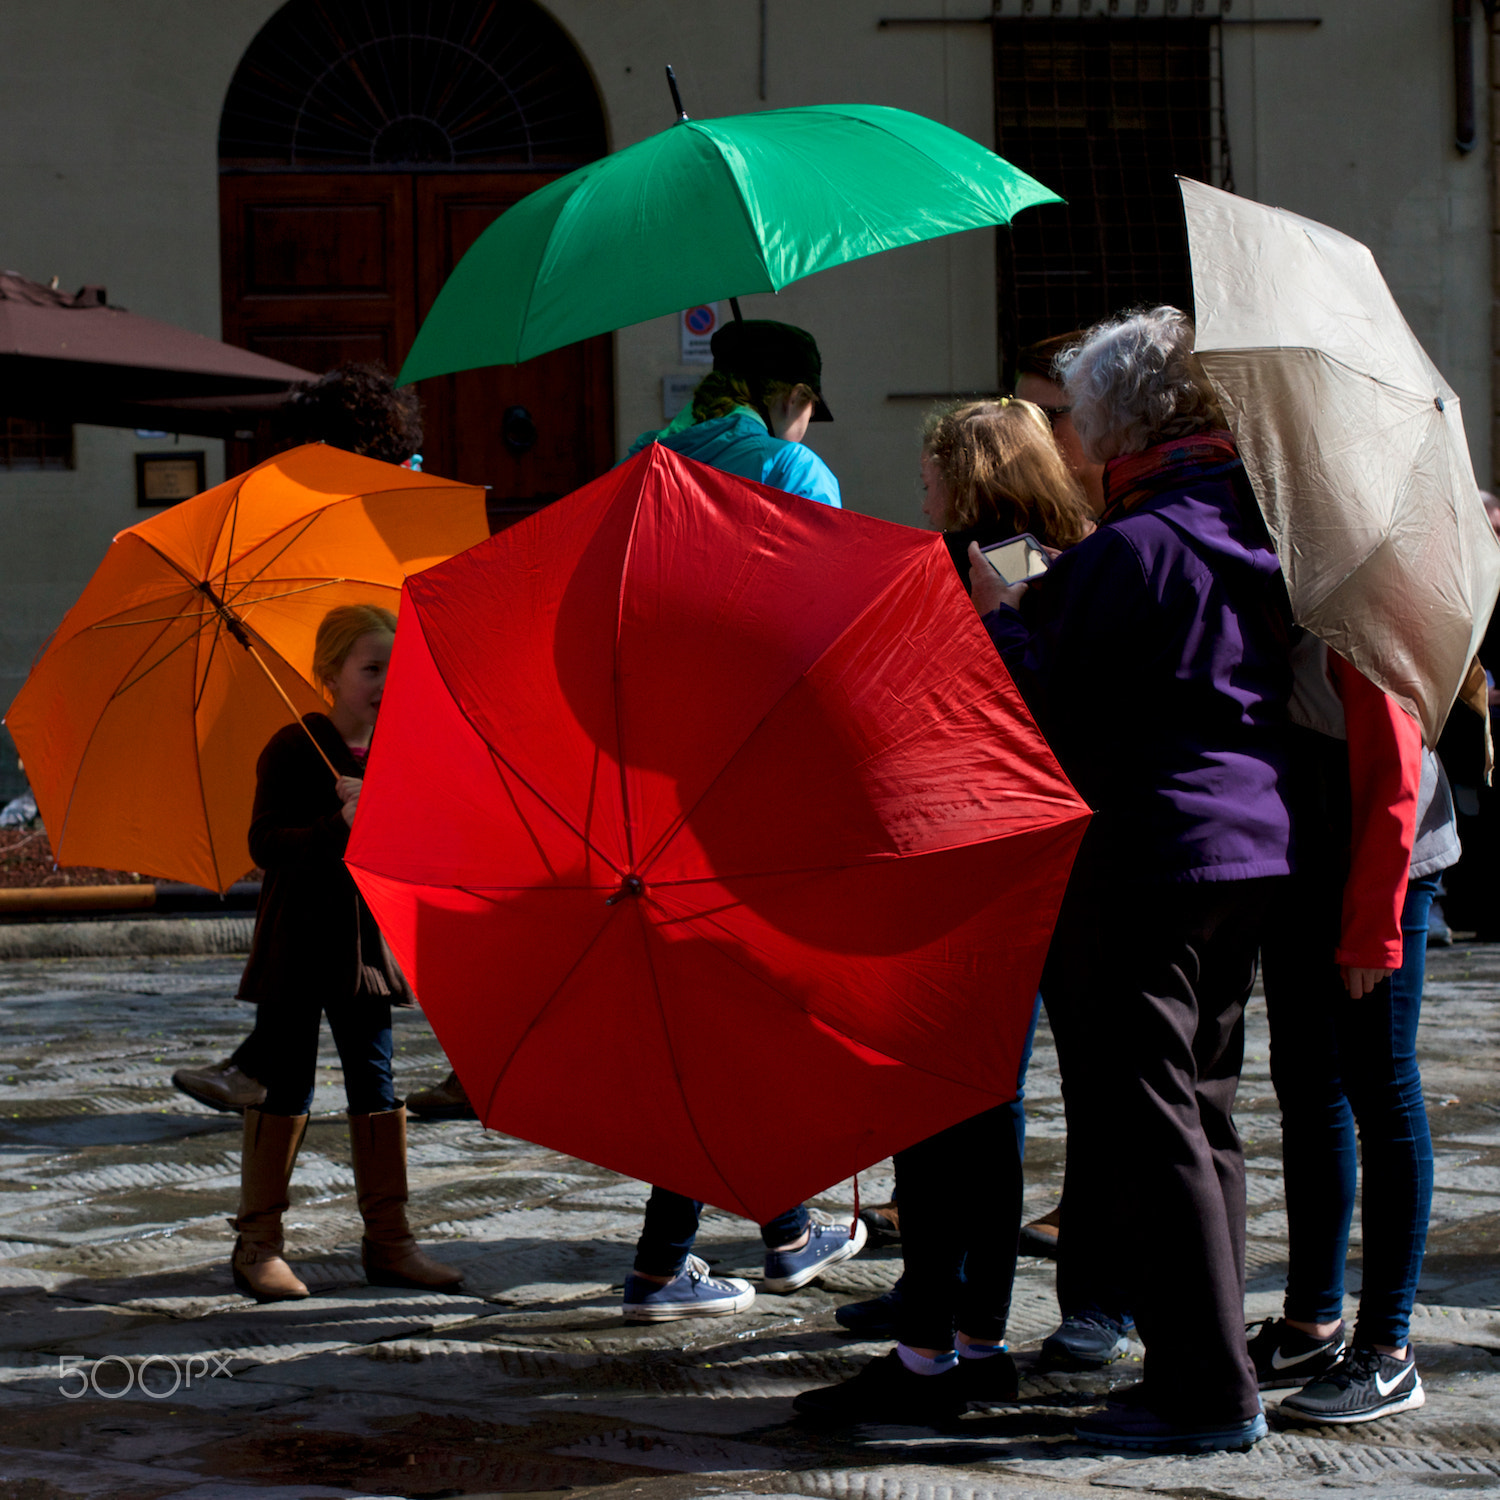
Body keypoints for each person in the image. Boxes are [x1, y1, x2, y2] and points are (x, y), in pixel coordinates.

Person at [965, 308, 1294, 1454]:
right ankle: (1205, 1363)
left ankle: (1209, 1389)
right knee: (1203, 1116)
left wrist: (1011, 616)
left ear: (1114, 422)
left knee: (1155, 1123)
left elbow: (1055, 702)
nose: (1065, 435)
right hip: (1247, 848)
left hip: (1146, 855)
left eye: (1072, 416)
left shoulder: (1135, 546)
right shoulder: (1250, 519)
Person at [797, 400, 1095, 1421]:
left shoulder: (1005, 561)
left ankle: (941, 1345)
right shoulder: (1029, 554)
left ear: (968, 479)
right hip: (996, 866)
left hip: (973, 864)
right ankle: (971, 1332)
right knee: (984, 1110)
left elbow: (1016, 696)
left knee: (948, 1109)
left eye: (931, 477)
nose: (919, 492)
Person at [619, 318, 864, 1323]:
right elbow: (819, 634)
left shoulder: (645, 463)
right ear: (791, 396)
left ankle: (761, 1229)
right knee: (758, 1015)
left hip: (650, 771)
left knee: (709, 1015)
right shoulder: (797, 472)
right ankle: (739, 1235)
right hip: (759, 778)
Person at [171, 364, 475, 1124]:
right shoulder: (406, 512)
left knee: (427, 907)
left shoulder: (384, 520)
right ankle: (271, 1070)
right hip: (396, 732)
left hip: (420, 725)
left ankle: (277, 1072)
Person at [229, 603, 464, 1302]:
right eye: (370, 668)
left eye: (395, 666)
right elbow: (266, 845)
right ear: (329, 674)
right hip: (299, 944)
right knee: (287, 1085)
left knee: (377, 1083)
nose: (385, 681)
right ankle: (257, 1245)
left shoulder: (400, 750)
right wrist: (338, 822)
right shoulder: (294, 747)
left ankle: (391, 1242)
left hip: (365, 947)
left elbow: (419, 841)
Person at [1249, 638, 1455, 1423]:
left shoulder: (1360, 592)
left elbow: (1394, 762)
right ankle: (1312, 1324)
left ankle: (1390, 1352)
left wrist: (1374, 928)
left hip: (1377, 864)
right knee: (1309, 1085)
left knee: (1382, 1088)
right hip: (1316, 854)